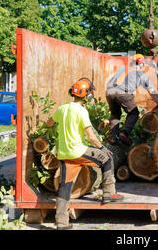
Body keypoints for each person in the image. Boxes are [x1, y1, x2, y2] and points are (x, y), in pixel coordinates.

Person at [46, 77, 124, 230]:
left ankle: (61, 222)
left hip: (64, 154)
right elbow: (91, 136)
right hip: (78, 152)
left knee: (65, 187)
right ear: (87, 95)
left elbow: (49, 122)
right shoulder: (82, 111)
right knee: (108, 157)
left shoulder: (62, 108)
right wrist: (102, 147)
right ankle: (109, 193)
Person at [106, 54, 158, 147]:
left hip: (109, 92)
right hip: (123, 92)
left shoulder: (123, 68)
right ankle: (124, 134)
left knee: (115, 114)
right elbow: (152, 91)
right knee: (134, 113)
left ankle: (113, 138)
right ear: (140, 63)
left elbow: (109, 82)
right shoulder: (141, 74)